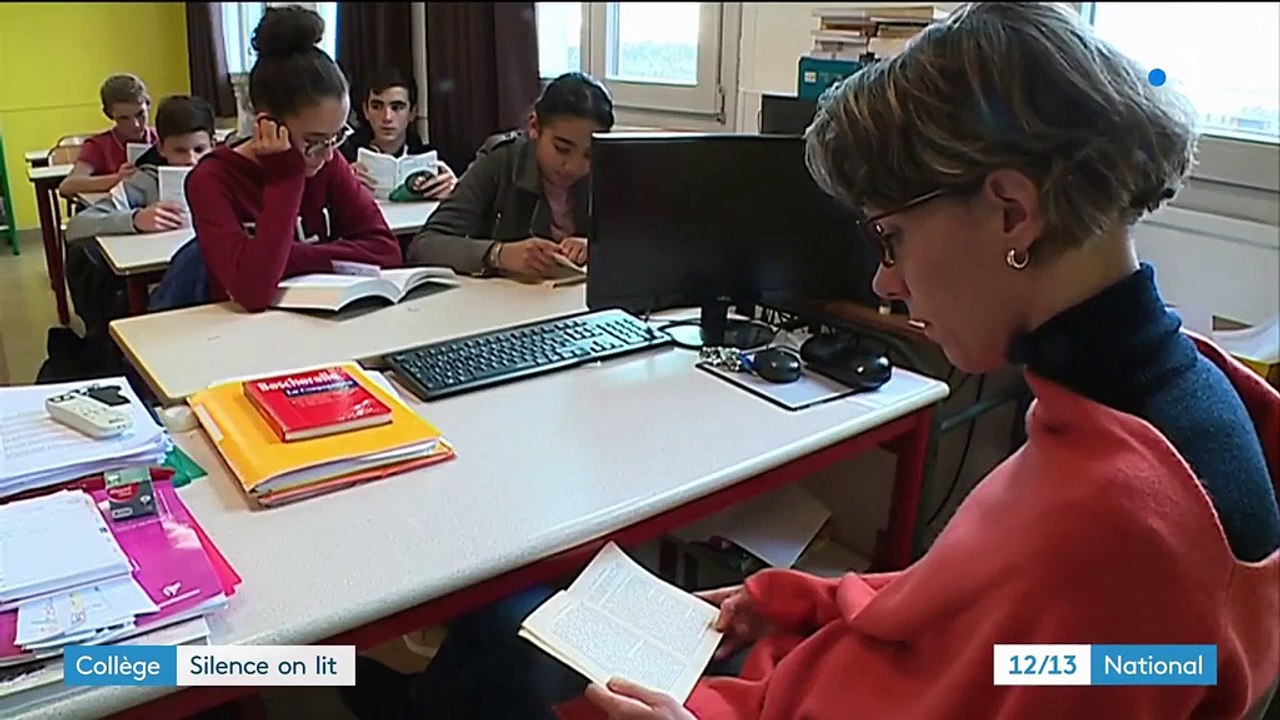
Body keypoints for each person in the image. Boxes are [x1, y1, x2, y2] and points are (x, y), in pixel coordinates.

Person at [340, 3, 1279, 720]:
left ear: (1012, 212)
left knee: (501, 631)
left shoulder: (1107, 532)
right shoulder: (1174, 402)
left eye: (892, 236)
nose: (887, 283)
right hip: (791, 664)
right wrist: (806, 597)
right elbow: (996, 636)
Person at [185, 5, 400, 313]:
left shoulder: (328, 159)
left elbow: (386, 250)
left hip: (324, 323)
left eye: (337, 136)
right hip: (241, 338)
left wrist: (283, 257)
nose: (327, 155)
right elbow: (252, 291)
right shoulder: (211, 179)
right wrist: (285, 178)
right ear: (266, 124)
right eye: (313, 142)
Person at [404, 71, 613, 277]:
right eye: (562, 149)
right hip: (504, 303)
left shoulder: (607, 168)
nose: (573, 167)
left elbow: (638, 243)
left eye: (589, 154)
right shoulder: (502, 161)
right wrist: (498, 254)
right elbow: (424, 246)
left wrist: (596, 249)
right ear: (534, 126)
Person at [65, 94, 216, 335]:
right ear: (161, 148)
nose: (191, 160)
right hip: (170, 281)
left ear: (213, 145)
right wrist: (135, 219)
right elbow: (77, 227)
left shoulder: (225, 178)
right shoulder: (145, 181)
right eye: (180, 151)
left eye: (200, 149)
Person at [338, 66, 458, 200]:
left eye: (397, 107)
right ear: (366, 111)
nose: (387, 117)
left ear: (412, 112)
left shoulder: (435, 161)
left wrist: (454, 193)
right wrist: (340, 185)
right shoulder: (341, 158)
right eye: (377, 106)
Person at [58, 73, 159, 199]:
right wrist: (117, 178)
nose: (136, 124)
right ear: (109, 115)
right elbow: (67, 186)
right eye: (124, 118)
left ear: (148, 105)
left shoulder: (162, 139)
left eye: (140, 114)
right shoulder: (99, 146)